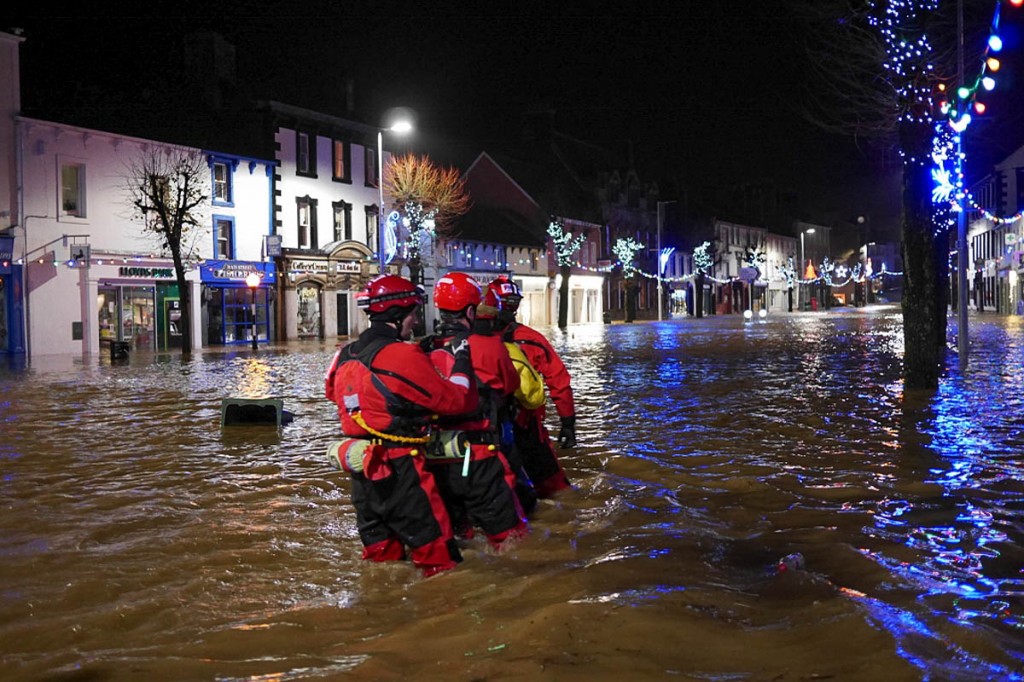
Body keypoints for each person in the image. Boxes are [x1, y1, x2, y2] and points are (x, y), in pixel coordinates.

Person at [324, 274, 478, 577]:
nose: (415, 322)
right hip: (403, 474)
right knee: (442, 565)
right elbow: (458, 401)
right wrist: (462, 360)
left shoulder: (343, 354)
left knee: (383, 566)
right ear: (399, 315)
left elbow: (333, 394)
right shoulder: (402, 355)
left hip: (362, 476)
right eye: (413, 314)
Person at [419, 272, 528, 549]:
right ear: (470, 310)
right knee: (513, 539)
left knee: (458, 538)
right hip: (478, 456)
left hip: (433, 460)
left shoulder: (422, 349)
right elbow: (510, 385)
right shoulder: (490, 345)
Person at [488, 275, 575, 497]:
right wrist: (567, 423)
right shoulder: (531, 339)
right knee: (555, 489)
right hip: (527, 426)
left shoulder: (473, 340)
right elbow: (559, 381)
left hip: (488, 430)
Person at [475, 284, 546, 514]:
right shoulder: (500, 348)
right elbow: (526, 391)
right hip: (498, 432)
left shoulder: (431, 347)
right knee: (522, 499)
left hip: (447, 447)